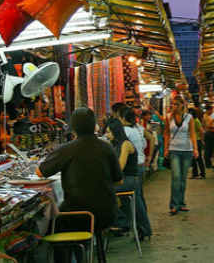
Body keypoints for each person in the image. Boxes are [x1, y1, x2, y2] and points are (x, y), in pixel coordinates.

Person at [37, 108, 123, 262]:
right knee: (76, 224)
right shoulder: (106, 147)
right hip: (107, 213)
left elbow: (40, 173)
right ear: (94, 125)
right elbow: (118, 180)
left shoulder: (66, 149)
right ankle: (82, 254)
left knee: (53, 225)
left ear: (74, 127)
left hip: (78, 215)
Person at [105, 118, 152, 239]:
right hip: (122, 179)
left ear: (115, 131)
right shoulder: (114, 144)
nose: (107, 135)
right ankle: (125, 223)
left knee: (104, 193)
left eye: (109, 132)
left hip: (129, 179)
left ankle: (121, 222)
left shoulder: (125, 144)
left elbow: (119, 167)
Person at [118, 106, 153, 238]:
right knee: (138, 198)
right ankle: (141, 227)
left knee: (135, 198)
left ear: (123, 118)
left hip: (134, 168)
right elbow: (151, 139)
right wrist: (149, 155)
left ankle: (141, 227)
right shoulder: (137, 127)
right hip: (140, 164)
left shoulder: (125, 131)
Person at [163, 95, 198, 215]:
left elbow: (193, 134)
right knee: (176, 176)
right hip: (174, 149)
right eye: (172, 104)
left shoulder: (189, 118)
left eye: (176, 104)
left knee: (183, 179)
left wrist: (195, 149)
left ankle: (181, 203)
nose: (174, 106)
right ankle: (173, 205)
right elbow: (166, 134)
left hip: (187, 150)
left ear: (182, 104)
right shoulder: (168, 118)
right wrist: (166, 149)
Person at [191, 108, 205, 179]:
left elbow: (201, 131)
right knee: (193, 158)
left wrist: (201, 139)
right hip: (192, 141)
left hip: (197, 140)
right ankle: (195, 173)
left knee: (199, 158)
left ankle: (202, 173)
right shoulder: (191, 121)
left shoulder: (196, 121)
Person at [202, 105, 214, 169]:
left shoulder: (207, 116)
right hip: (208, 134)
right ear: (208, 110)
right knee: (208, 149)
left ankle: (208, 163)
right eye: (211, 110)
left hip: (209, 133)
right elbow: (208, 125)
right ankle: (208, 163)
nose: (212, 111)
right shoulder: (206, 116)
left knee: (209, 149)